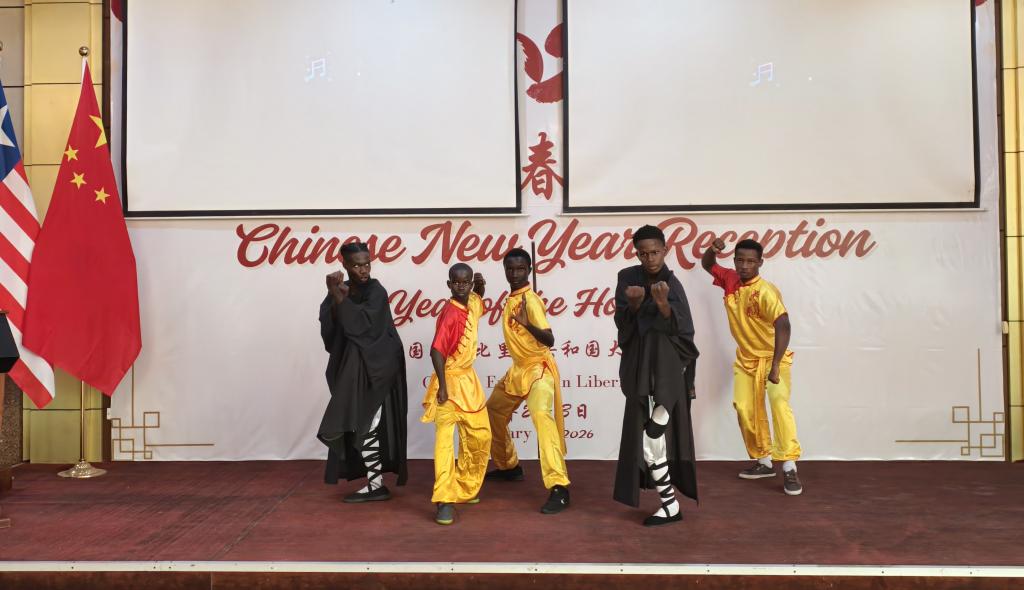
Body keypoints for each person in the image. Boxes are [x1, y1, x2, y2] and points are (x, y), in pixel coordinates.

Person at [701, 237, 803, 496]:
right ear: (734, 261)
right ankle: (764, 461)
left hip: (774, 358)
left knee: (779, 404)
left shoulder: (766, 291)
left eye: (750, 261)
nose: (745, 266)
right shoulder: (730, 279)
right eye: (740, 260)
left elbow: (784, 325)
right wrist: (712, 250)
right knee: (745, 408)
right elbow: (707, 264)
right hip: (746, 360)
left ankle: (789, 466)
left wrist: (776, 365)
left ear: (760, 263)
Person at [613, 224, 700, 526]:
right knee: (649, 441)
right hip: (640, 370)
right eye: (643, 253)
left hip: (668, 375)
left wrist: (663, 306)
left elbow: (683, 332)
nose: (650, 258)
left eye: (655, 252)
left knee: (652, 440)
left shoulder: (672, 284)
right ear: (636, 253)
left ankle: (671, 506)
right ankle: (670, 505)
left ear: (665, 250)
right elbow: (623, 325)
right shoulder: (627, 278)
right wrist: (634, 306)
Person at [318, 242, 408, 502]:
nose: (364, 270)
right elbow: (331, 332)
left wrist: (339, 297)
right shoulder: (341, 290)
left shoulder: (377, 291)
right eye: (357, 265)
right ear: (345, 265)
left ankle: (376, 485)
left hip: (379, 369)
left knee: (367, 424)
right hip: (355, 370)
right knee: (361, 425)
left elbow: (360, 326)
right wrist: (335, 296)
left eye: (367, 263)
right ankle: (375, 484)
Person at [484, 248, 571, 514]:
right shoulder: (511, 298)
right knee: (493, 411)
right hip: (519, 370)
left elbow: (549, 339)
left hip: (538, 371)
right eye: (510, 269)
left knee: (542, 418)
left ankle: (559, 487)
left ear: (529, 270)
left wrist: (527, 324)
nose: (515, 273)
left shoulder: (530, 300)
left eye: (520, 269)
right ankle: (509, 466)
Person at [420, 264, 492, 525]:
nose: (461, 286)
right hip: (449, 383)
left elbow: (478, 300)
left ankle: (463, 486)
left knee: (480, 435)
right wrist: (443, 386)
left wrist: (480, 288)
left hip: (468, 382)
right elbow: (436, 352)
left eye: (466, 282)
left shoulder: (471, 301)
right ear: (449, 285)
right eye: (457, 282)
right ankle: (444, 499)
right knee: (444, 442)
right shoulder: (450, 313)